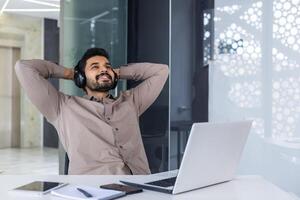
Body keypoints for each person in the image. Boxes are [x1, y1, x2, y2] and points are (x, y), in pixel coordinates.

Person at [15, 47, 169, 175]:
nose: (104, 70)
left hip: (141, 186)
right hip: (91, 190)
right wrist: (70, 73)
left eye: (107, 66)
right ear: (81, 78)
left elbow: (161, 71)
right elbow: (24, 67)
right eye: (95, 67)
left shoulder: (131, 102)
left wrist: (118, 72)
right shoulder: (61, 107)